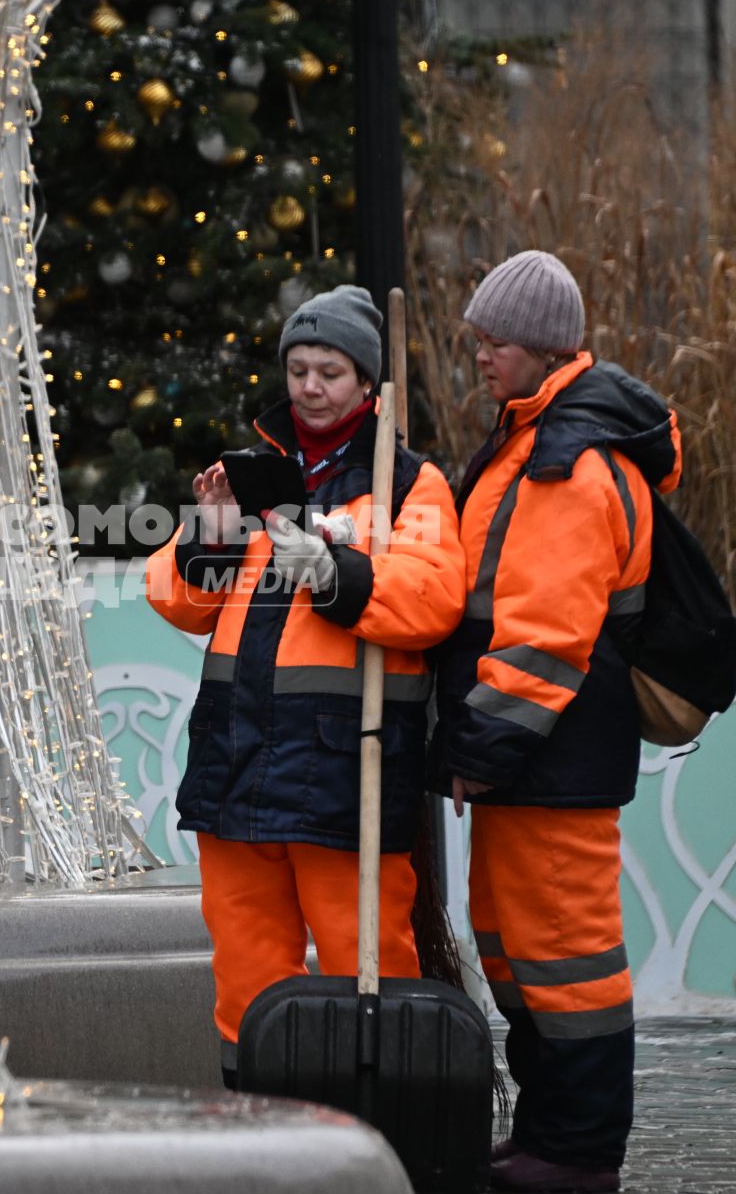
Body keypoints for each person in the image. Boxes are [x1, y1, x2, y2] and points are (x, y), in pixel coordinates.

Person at [145, 284, 466, 1090]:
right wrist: (212, 532)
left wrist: (335, 574)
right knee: (245, 969)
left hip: (343, 769)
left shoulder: (407, 483)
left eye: (328, 371)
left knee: (371, 965)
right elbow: (181, 602)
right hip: (236, 759)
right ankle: (253, 1125)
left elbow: (433, 601)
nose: (310, 386)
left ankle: (384, 1122)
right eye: (298, 368)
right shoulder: (253, 475)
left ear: (366, 384)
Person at [432, 250, 682, 1193]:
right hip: (537, 763)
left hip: (550, 760)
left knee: (566, 957)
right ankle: (546, 1137)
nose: (481, 358)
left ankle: (575, 1154)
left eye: (493, 343)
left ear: (539, 348)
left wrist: (480, 749)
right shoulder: (532, 436)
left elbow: (544, 638)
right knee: (516, 945)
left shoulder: (566, 461)